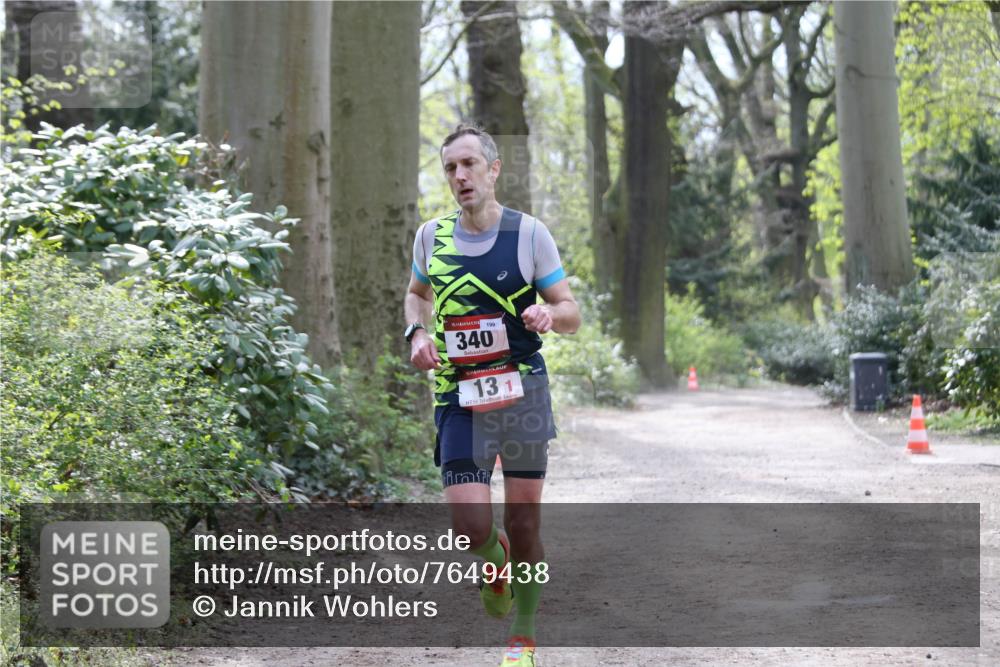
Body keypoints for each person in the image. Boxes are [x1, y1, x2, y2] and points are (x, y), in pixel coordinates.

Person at [404, 122, 580, 666]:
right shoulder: (431, 236)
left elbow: (571, 312)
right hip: (459, 395)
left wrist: (550, 313)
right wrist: (417, 331)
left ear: (493, 169)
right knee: (470, 529)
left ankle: (523, 638)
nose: (460, 176)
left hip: (522, 391)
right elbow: (416, 295)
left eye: (470, 164)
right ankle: (493, 562)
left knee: (524, 523)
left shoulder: (529, 234)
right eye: (451, 168)